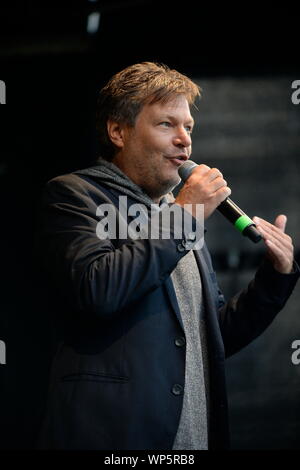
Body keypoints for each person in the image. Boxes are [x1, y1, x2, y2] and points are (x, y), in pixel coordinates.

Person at [38, 62, 299, 450]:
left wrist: (275, 278)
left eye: (188, 127)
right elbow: (99, 290)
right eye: (166, 125)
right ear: (118, 131)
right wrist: (186, 213)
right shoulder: (76, 195)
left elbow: (214, 338)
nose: (184, 141)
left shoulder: (177, 212)